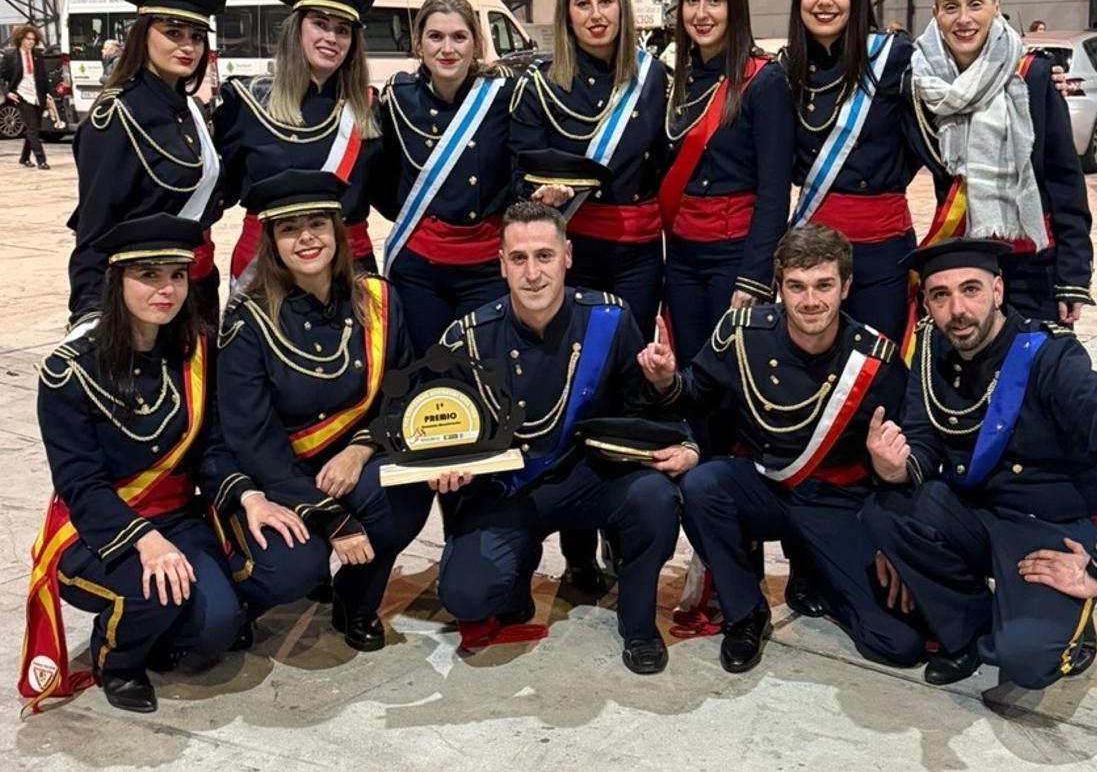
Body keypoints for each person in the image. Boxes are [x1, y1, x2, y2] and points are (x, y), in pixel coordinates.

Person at [861, 238, 1097, 689]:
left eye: (971, 290)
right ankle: (965, 633)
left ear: (998, 291)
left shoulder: (1049, 357)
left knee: (1026, 663)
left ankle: (1065, 621)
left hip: (1051, 526)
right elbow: (926, 442)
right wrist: (895, 467)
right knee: (885, 510)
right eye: (941, 295)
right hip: (978, 513)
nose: (958, 310)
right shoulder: (931, 347)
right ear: (927, 303)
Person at [638, 225, 924, 673]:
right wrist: (666, 381)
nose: (811, 301)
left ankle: (820, 577)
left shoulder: (875, 360)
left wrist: (894, 541)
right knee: (703, 485)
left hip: (836, 502)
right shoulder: (742, 331)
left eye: (824, 285)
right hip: (764, 488)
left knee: (898, 643)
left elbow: (904, 453)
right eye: (797, 286)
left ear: (846, 286)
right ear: (779, 287)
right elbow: (697, 395)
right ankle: (745, 611)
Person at [435, 201, 696, 674]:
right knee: (466, 595)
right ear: (501, 264)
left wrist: (661, 382)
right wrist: (445, 467)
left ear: (568, 256)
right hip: (508, 489)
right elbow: (438, 428)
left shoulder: (608, 320)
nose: (533, 273)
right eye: (519, 258)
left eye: (544, 256)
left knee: (654, 499)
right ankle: (515, 569)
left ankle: (638, 625)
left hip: (589, 479)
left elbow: (644, 413)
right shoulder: (469, 338)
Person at [21, 215, 254, 714]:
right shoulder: (68, 371)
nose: (166, 290)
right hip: (94, 528)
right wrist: (146, 541)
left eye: (174, 275)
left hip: (175, 516)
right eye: (147, 276)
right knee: (156, 595)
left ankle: (162, 629)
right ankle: (117, 661)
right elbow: (80, 484)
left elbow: (212, 447)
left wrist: (244, 495)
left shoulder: (195, 351)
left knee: (217, 627)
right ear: (117, 280)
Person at [217, 170, 431, 652]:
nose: (307, 237)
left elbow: (403, 392)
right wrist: (333, 518)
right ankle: (237, 599)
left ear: (339, 231)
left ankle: (356, 600)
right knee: (296, 566)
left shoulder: (378, 300)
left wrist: (361, 448)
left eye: (318, 223)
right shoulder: (247, 321)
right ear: (272, 240)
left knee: (405, 487)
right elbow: (250, 439)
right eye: (290, 228)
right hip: (279, 473)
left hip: (351, 463)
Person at [910, 0, 1093, 325]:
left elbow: (1065, 183)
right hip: (964, 266)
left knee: (1035, 374)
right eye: (950, 7)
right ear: (935, 15)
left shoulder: (1033, 77)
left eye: (975, 4)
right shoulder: (918, 87)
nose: (963, 19)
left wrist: (1073, 276)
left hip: (1033, 265)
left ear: (996, 7)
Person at [509, 0, 670, 341]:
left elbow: (664, 165)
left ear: (623, 9)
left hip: (639, 253)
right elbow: (517, 177)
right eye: (583, 4)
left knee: (633, 356)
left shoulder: (652, 77)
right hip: (570, 250)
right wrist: (540, 196)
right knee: (575, 360)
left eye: (606, 2)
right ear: (566, 13)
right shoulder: (539, 87)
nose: (596, 15)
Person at [785, 0, 928, 345]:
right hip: (812, 252)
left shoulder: (893, 57)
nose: (824, 1)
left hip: (882, 249)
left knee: (878, 364)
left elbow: (929, 135)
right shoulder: (788, 70)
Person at [65, 0, 228, 329]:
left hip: (198, 286)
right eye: (173, 32)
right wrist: (89, 314)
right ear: (143, 34)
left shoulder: (193, 110)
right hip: (146, 299)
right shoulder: (116, 116)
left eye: (197, 37)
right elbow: (94, 229)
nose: (188, 46)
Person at [662, 0, 795, 369]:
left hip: (735, 256)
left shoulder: (764, 80)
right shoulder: (677, 80)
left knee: (731, 373)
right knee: (689, 368)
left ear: (735, 7)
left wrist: (755, 275)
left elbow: (775, 189)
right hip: (682, 256)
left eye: (715, 1)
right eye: (692, 1)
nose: (701, 14)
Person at [215, 0, 385, 291]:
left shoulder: (369, 109)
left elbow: (390, 194)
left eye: (343, 30)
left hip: (347, 266)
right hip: (267, 267)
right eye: (320, 24)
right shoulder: (247, 103)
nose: (331, 39)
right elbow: (221, 190)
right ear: (296, 29)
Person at [378, 0, 513, 355]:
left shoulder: (503, 97)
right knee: (425, 369)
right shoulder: (397, 98)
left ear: (476, 43)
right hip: (420, 267)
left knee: (482, 369)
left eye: (459, 36)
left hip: (486, 267)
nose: (447, 48)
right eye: (435, 36)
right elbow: (384, 176)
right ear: (419, 43)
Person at [1, 24, 51, 169]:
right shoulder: (10, 56)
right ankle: (41, 159)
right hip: (21, 95)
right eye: (28, 39)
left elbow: (42, 77)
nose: (31, 42)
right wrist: (7, 92)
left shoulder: (38, 55)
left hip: (37, 95)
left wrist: (47, 95)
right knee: (32, 128)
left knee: (33, 127)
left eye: (33, 40)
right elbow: (1, 76)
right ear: (21, 39)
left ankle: (24, 158)